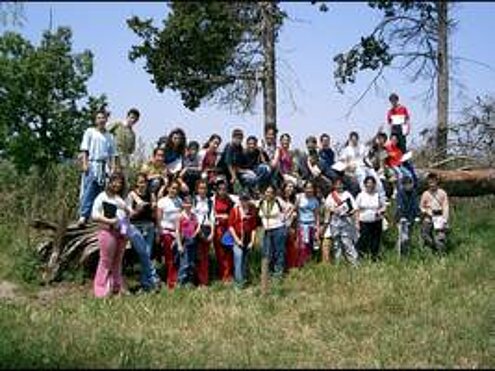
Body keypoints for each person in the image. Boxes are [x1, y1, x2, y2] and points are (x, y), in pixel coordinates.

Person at [91, 172, 129, 298]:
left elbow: (125, 216)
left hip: (121, 233)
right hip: (107, 231)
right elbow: (94, 215)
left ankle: (116, 287)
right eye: (116, 181)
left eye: (120, 182)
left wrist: (125, 230)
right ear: (110, 182)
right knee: (105, 261)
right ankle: (100, 290)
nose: (118, 184)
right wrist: (109, 221)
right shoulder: (102, 197)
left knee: (118, 261)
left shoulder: (120, 199)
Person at [77, 109, 117, 226]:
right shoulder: (90, 132)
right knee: (89, 190)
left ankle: (96, 216)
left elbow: (112, 155)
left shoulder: (109, 136)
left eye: (103, 118)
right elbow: (84, 149)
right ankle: (84, 216)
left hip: (104, 166)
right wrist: (85, 163)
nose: (101, 120)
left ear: (106, 120)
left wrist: (112, 168)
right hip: (92, 163)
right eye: (99, 118)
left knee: (101, 193)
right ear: (95, 120)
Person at [126, 172, 160, 292]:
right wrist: (137, 210)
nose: (142, 184)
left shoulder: (151, 194)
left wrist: (154, 207)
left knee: (147, 254)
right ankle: (154, 279)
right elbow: (128, 214)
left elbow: (155, 213)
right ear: (136, 183)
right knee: (143, 252)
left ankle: (146, 284)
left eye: (144, 182)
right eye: (140, 182)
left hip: (149, 227)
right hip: (135, 226)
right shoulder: (131, 195)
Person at [323, 177, 359, 266]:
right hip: (334, 223)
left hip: (346, 222)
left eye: (340, 184)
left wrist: (349, 214)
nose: (338, 186)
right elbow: (327, 209)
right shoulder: (330, 196)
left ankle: (354, 264)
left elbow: (355, 209)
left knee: (347, 243)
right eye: (336, 184)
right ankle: (337, 264)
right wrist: (333, 211)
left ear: (343, 185)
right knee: (336, 244)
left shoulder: (347, 195)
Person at [258, 184, 289, 278]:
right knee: (267, 252)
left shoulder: (278, 201)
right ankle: (268, 272)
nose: (269, 194)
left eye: (271, 192)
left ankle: (278, 272)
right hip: (267, 230)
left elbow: (289, 208)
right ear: (264, 193)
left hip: (278, 229)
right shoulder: (261, 202)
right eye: (267, 192)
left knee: (279, 252)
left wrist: (285, 219)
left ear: (274, 193)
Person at [156, 180, 183, 289]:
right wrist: (159, 233)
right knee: (169, 257)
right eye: (172, 188)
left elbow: (181, 218)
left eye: (176, 188)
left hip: (177, 232)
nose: (174, 190)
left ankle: (179, 278)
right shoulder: (162, 201)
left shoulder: (179, 201)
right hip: (165, 231)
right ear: (168, 188)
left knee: (178, 256)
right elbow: (158, 219)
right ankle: (171, 281)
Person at [229, 191, 258, 289]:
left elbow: (254, 227)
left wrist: (252, 241)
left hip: (247, 240)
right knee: (238, 260)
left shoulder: (252, 211)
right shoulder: (235, 210)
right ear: (240, 200)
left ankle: (244, 280)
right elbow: (231, 226)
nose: (244, 202)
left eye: (246, 199)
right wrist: (237, 240)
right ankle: (238, 284)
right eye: (242, 199)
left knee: (245, 261)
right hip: (238, 239)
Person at [355, 176, 387, 261]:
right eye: (368, 183)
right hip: (364, 220)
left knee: (375, 240)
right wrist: (357, 222)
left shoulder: (377, 195)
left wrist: (380, 211)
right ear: (365, 184)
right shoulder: (361, 195)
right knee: (364, 238)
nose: (370, 185)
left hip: (376, 220)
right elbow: (356, 209)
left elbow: (383, 206)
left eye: (372, 183)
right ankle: (360, 255)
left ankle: (374, 257)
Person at [212, 178, 236, 283]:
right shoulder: (212, 200)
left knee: (229, 252)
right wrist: (219, 216)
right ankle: (223, 275)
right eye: (220, 189)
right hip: (218, 229)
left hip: (228, 228)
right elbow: (211, 214)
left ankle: (229, 274)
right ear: (217, 190)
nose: (222, 191)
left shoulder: (230, 200)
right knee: (220, 253)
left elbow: (233, 213)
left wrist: (228, 217)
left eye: (224, 189)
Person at [420, 173, 450, 253]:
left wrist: (445, 219)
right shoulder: (425, 194)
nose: (432, 184)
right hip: (428, 216)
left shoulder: (442, 193)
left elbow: (445, 206)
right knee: (425, 234)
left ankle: (441, 253)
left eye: (433, 182)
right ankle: (431, 248)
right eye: (430, 182)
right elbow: (421, 206)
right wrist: (426, 211)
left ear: (437, 182)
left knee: (440, 237)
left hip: (439, 216)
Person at [192, 180, 214, 286]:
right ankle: (194, 280)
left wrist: (212, 233)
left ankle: (204, 281)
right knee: (195, 255)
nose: (203, 190)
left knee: (204, 256)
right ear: (197, 189)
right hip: (194, 229)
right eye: (200, 188)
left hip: (206, 228)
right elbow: (191, 216)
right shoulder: (193, 200)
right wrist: (197, 229)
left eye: (204, 188)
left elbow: (212, 217)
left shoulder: (209, 201)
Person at [294, 181, 320, 267]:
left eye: (311, 188)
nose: (309, 190)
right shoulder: (299, 198)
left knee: (310, 245)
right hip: (301, 225)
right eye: (307, 188)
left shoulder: (315, 200)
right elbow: (296, 211)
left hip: (311, 225)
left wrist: (317, 228)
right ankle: (300, 264)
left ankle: (309, 263)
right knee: (301, 246)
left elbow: (317, 216)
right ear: (304, 188)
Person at [176, 195, 200, 287]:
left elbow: (197, 225)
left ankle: (189, 282)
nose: (188, 205)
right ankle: (180, 283)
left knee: (191, 263)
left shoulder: (194, 215)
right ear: (183, 204)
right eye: (186, 203)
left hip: (193, 241)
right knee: (184, 263)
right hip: (184, 241)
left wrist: (197, 231)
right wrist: (179, 245)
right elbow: (177, 231)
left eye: (190, 203)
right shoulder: (180, 216)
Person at [107, 108, 140, 174]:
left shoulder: (133, 134)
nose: (133, 120)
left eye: (135, 119)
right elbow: (105, 132)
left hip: (124, 160)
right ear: (127, 116)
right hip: (113, 158)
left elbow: (131, 150)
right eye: (132, 117)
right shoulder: (117, 124)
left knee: (123, 180)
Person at [395, 175, 420, 257]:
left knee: (409, 236)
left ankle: (407, 254)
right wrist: (402, 216)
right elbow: (400, 205)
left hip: (411, 217)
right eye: (406, 184)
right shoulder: (400, 193)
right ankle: (399, 254)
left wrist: (417, 215)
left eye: (410, 184)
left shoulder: (414, 192)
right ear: (403, 185)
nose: (409, 186)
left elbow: (415, 204)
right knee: (403, 237)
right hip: (401, 217)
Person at [217, 128, 246, 193]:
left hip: (234, 171)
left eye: (241, 138)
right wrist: (233, 176)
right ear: (233, 137)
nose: (239, 140)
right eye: (237, 138)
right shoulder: (229, 146)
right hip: (223, 171)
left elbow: (240, 161)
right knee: (229, 187)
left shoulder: (240, 147)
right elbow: (228, 163)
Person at [340, 131, 367, 196]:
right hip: (353, 167)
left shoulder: (362, 147)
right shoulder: (347, 149)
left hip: (363, 166)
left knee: (374, 176)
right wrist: (348, 164)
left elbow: (365, 158)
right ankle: (364, 193)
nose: (354, 141)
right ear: (350, 139)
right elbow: (342, 159)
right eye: (352, 140)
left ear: (358, 139)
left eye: (355, 140)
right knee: (362, 175)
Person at [281, 181, 298, 270]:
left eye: (292, 187)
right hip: (281, 227)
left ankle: (290, 268)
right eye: (288, 186)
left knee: (291, 249)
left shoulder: (293, 201)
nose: (290, 189)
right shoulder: (279, 200)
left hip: (291, 228)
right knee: (281, 249)